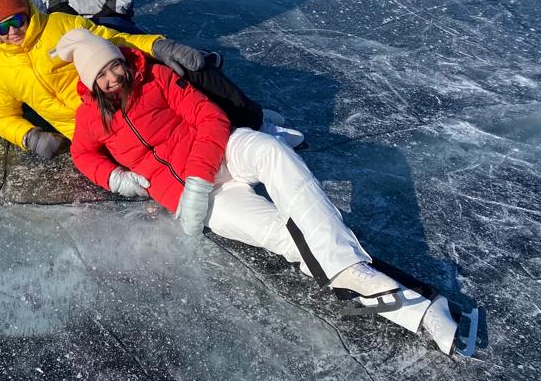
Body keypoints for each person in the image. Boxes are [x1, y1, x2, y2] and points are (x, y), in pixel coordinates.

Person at [58, 28, 476, 358]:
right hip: (198, 202)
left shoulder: (156, 76)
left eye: (114, 67)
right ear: (90, 83)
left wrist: (201, 177)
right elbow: (82, 155)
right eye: (103, 76)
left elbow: (209, 116)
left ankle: (355, 273)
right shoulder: (90, 117)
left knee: (273, 151)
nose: (113, 77)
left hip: (218, 154)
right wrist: (117, 178)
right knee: (291, 238)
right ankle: (420, 309)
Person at [0, 0, 207, 159]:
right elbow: (0, 116)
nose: (12, 31)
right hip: (88, 136)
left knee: (179, 134)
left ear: (27, 14)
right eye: (2, 27)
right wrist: (30, 137)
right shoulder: (0, 71)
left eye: (17, 20)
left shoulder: (60, 25)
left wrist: (156, 45)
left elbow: (112, 39)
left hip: (118, 104)